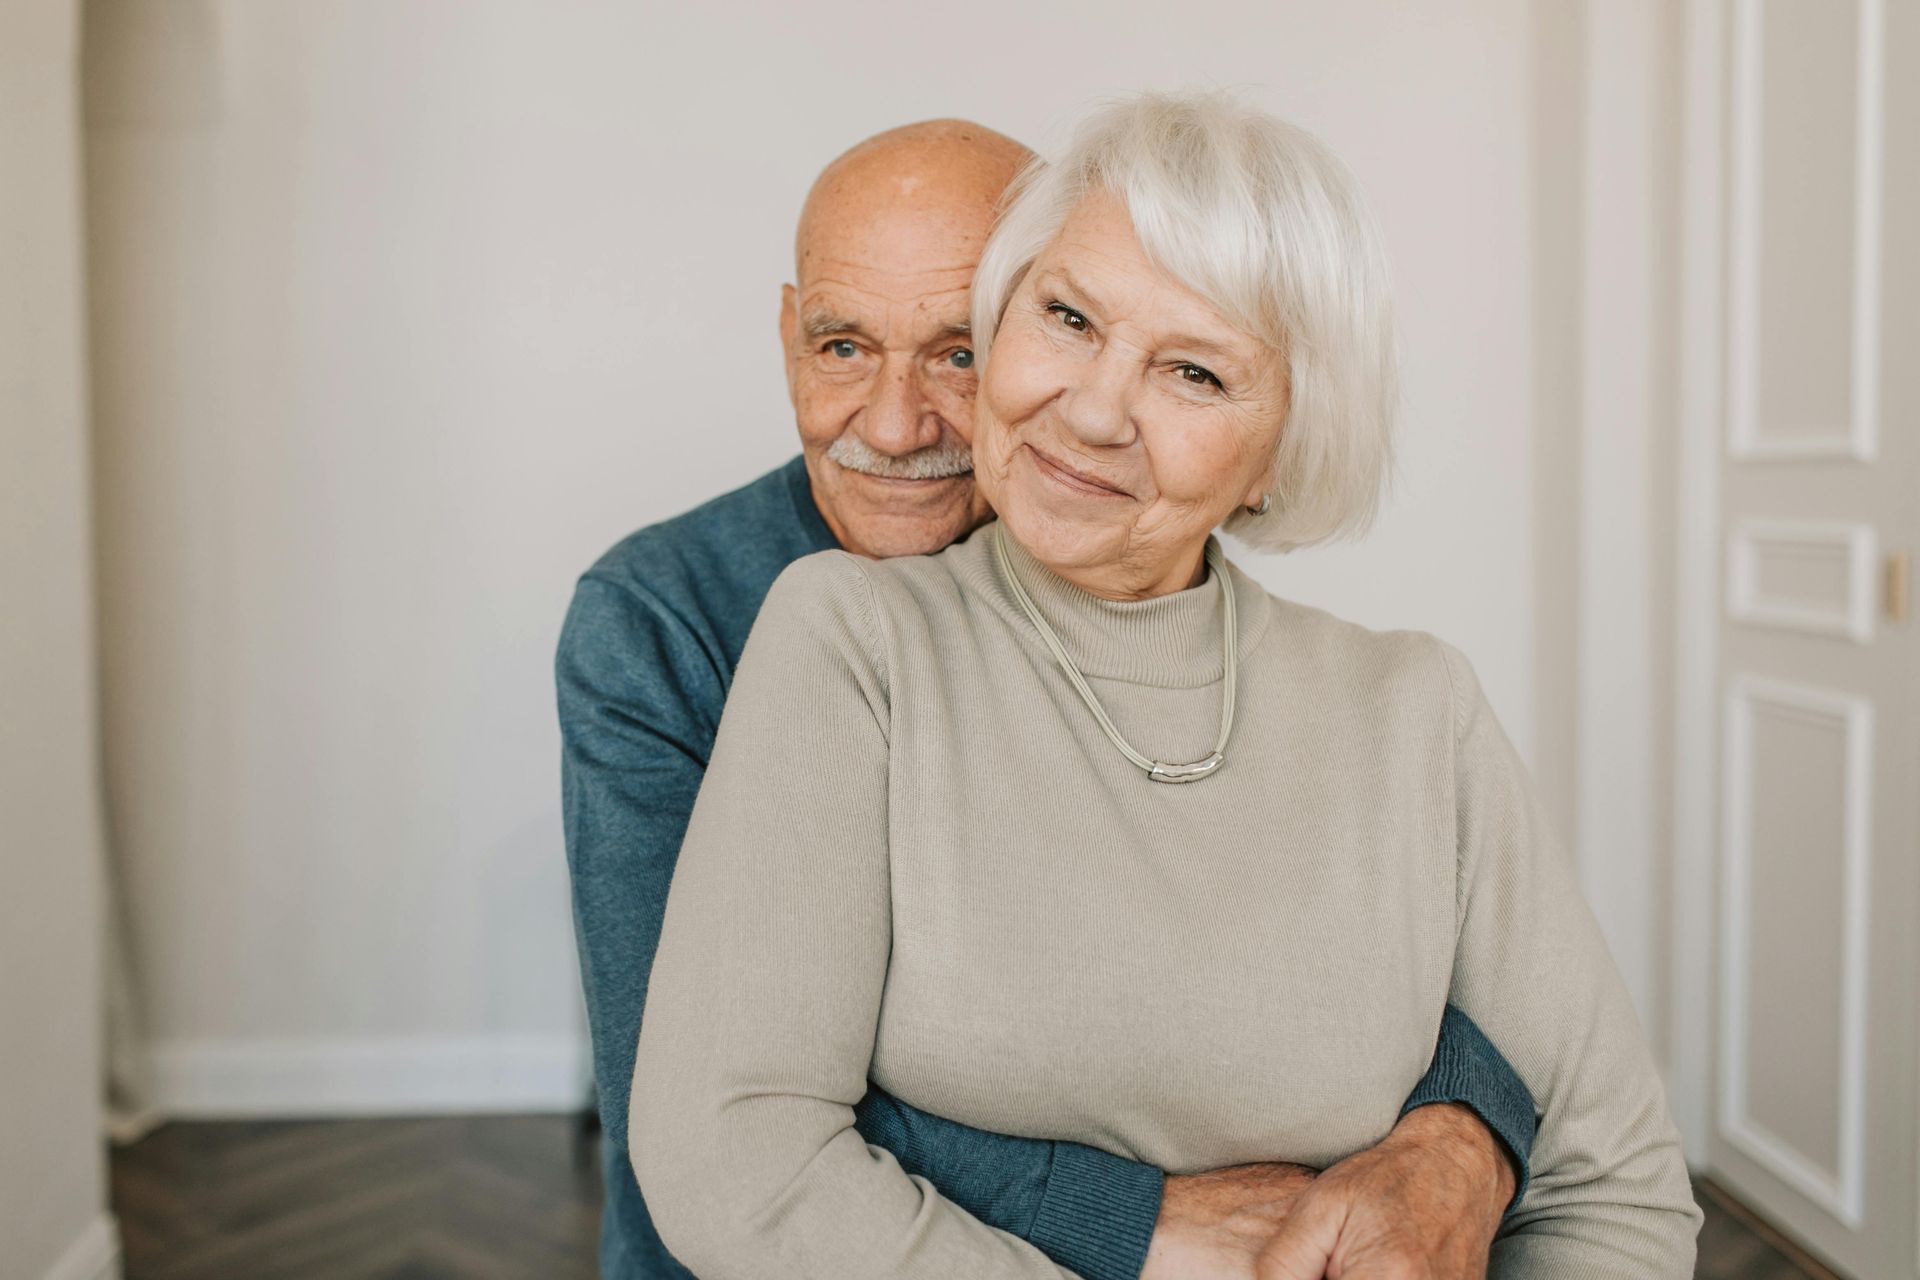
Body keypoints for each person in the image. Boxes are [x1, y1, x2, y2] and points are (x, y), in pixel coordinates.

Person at [626, 92, 1702, 1279]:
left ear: (1282, 449)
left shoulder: (1418, 708)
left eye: (1193, 371)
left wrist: (1467, 1145)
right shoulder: (851, 641)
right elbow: (737, 1157)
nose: (1090, 410)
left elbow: (1624, 1191)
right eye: (1068, 315)